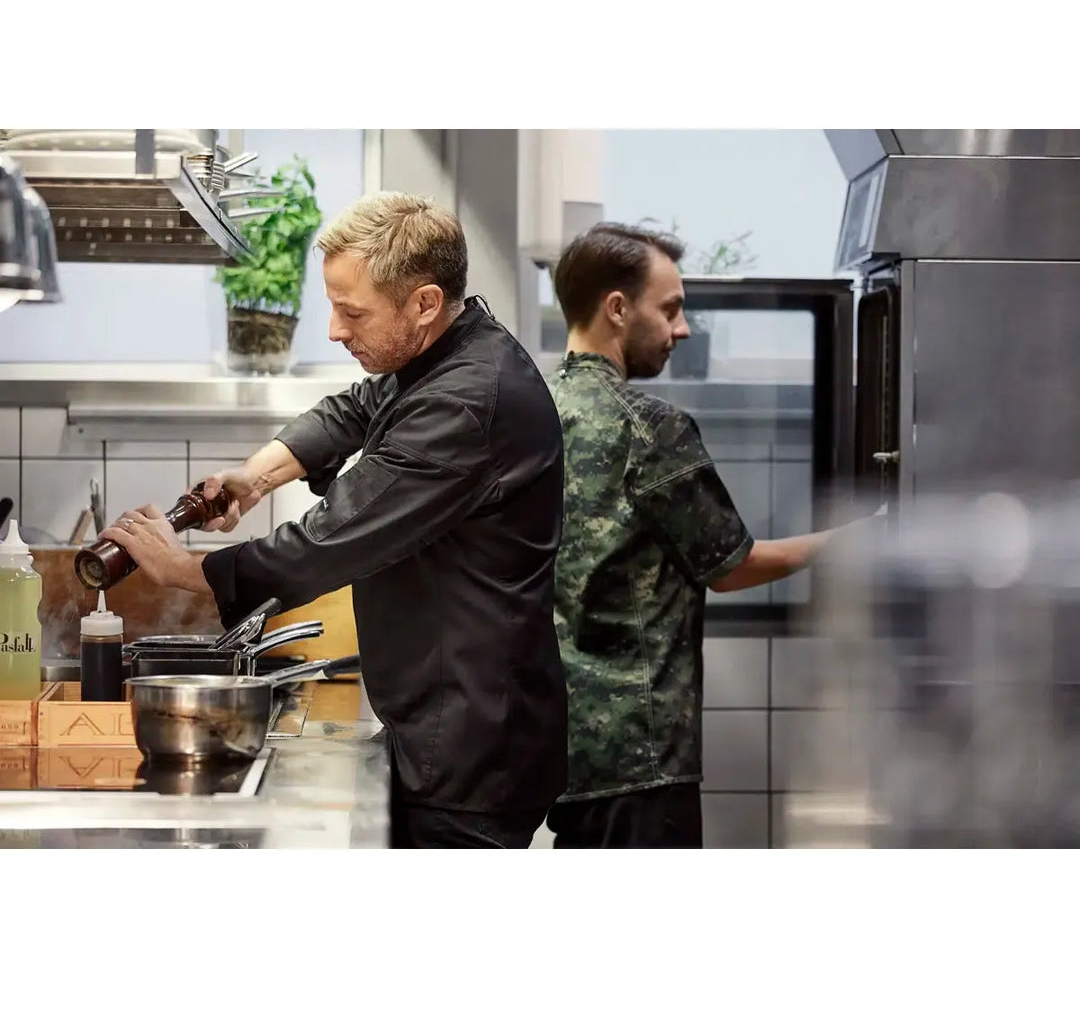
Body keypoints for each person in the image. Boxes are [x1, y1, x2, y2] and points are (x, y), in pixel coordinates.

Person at [102, 191, 568, 849]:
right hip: (450, 721)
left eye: (353, 312)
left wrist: (179, 568)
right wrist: (255, 476)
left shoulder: (464, 405)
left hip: (471, 750)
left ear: (425, 303)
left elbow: (322, 546)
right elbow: (354, 409)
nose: (333, 330)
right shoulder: (444, 353)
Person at [545, 221, 844, 849]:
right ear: (617, 308)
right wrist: (848, 538)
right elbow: (732, 566)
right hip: (641, 754)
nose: (682, 329)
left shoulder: (534, 412)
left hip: (561, 746)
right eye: (671, 309)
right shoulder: (651, 428)